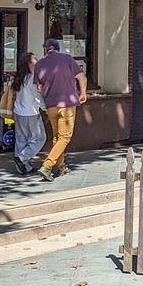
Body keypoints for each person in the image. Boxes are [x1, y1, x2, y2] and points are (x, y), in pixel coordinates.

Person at [34, 38, 86, 181]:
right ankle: (47, 165)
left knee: (57, 136)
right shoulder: (67, 59)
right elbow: (82, 77)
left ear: (46, 49)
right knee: (65, 137)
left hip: (51, 104)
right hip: (67, 103)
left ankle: (61, 166)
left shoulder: (39, 64)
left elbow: (39, 88)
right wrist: (83, 93)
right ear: (58, 48)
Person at [11, 53, 45, 176]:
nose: (36, 62)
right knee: (39, 138)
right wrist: (44, 107)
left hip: (18, 112)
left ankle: (23, 167)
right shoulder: (32, 79)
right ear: (29, 64)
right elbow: (38, 97)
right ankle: (22, 158)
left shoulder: (19, 78)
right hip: (31, 112)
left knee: (21, 139)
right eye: (34, 61)